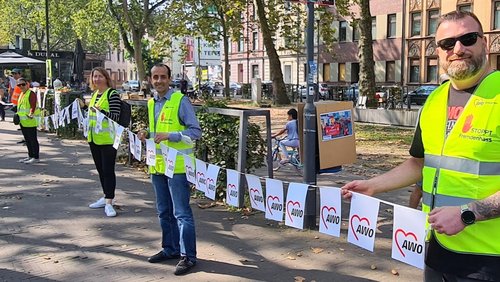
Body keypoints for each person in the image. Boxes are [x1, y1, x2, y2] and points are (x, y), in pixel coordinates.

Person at [342, 11, 499, 281]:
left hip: (489, 257)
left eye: (468, 39)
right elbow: (419, 163)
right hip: (436, 247)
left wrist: (467, 215)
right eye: (448, 44)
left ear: (484, 43)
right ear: (438, 51)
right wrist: (373, 185)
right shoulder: (435, 99)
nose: (458, 49)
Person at [137, 64, 201, 275]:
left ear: (170, 79)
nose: (159, 81)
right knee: (164, 212)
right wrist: (146, 132)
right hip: (158, 165)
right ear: (150, 79)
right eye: (155, 77)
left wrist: (170, 136)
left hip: (179, 167)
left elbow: (195, 132)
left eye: (163, 77)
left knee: (181, 213)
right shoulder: (151, 103)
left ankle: (188, 256)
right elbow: (158, 131)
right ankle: (170, 249)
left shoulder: (180, 100)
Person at [77, 67, 121, 217]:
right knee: (101, 170)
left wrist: (101, 111)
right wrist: (85, 108)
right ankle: (106, 196)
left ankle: (109, 202)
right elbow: (92, 114)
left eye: (100, 76)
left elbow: (116, 116)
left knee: (108, 171)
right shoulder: (95, 94)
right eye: (94, 77)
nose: (97, 79)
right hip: (94, 139)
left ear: (106, 78)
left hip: (108, 140)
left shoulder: (112, 94)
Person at [16, 78, 41, 164]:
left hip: (30, 121)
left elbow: (33, 105)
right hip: (23, 122)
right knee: (27, 140)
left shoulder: (31, 93)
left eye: (23, 84)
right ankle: (30, 156)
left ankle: (36, 157)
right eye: (19, 85)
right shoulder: (22, 94)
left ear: (27, 84)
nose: (21, 86)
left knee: (32, 140)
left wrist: (31, 113)